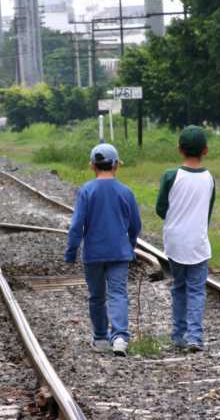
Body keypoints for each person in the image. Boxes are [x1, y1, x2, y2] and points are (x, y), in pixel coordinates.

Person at [65, 143, 142, 356]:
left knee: (97, 296)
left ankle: (100, 338)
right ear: (116, 165)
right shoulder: (126, 192)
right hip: (119, 253)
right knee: (118, 294)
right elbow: (135, 225)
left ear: (92, 166)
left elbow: (76, 226)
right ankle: (119, 337)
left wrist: (71, 252)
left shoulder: (86, 191)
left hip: (93, 254)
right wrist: (131, 245)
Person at [155, 125, 216, 353]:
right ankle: (195, 337)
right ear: (206, 150)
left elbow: (161, 208)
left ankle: (178, 335)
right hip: (198, 242)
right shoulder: (209, 178)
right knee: (197, 290)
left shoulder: (171, 176)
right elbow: (207, 212)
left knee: (179, 287)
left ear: (179, 150)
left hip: (175, 242)